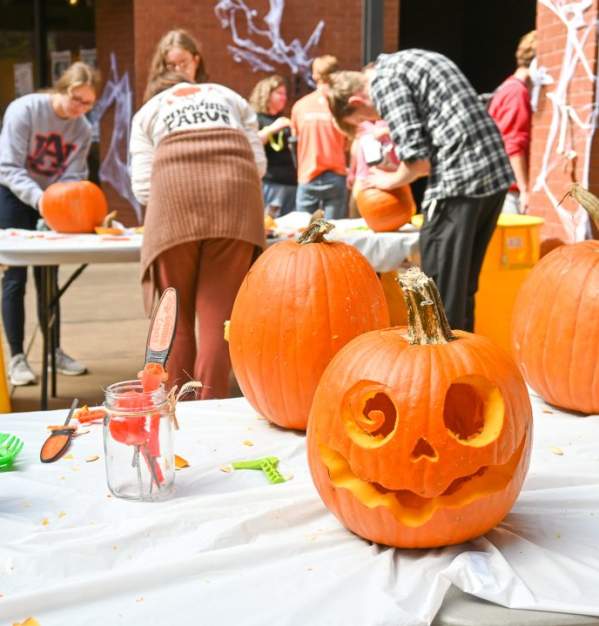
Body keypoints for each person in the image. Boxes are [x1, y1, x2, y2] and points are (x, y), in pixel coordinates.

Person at [326, 50, 514, 332]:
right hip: (493, 177)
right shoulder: (411, 60)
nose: (376, 119)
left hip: (459, 182)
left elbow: (418, 162)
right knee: (462, 287)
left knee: (436, 292)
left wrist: (387, 182)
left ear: (356, 100)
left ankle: (442, 369)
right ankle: (468, 367)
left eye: (364, 118)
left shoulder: (383, 82)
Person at [130, 33, 267, 399]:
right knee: (218, 321)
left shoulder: (147, 111)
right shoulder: (228, 96)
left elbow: (144, 188)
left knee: (173, 321)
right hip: (235, 200)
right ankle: (210, 412)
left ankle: (174, 410)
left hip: (174, 203)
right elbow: (258, 165)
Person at [0, 61, 98, 386]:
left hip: (53, 201)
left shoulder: (82, 128)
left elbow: (73, 175)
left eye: (88, 104)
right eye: (76, 99)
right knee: (15, 276)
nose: (80, 109)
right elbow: (9, 166)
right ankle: (17, 356)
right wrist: (41, 200)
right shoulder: (24, 110)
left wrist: (62, 203)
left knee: (48, 278)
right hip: (15, 194)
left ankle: (53, 351)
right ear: (62, 87)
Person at [291, 55, 349, 219]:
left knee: (304, 235)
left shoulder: (300, 106)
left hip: (308, 175)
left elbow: (295, 141)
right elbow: (348, 142)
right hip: (336, 173)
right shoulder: (341, 106)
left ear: (315, 75)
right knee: (333, 235)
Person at [488, 30, 537, 214]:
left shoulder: (507, 87)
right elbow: (513, 144)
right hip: (509, 192)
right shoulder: (517, 92)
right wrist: (525, 190)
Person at [249, 75, 297, 217]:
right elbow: (253, 143)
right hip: (270, 183)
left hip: (291, 182)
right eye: (279, 93)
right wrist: (273, 128)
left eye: (285, 94)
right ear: (266, 94)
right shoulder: (256, 118)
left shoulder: (283, 119)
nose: (284, 98)